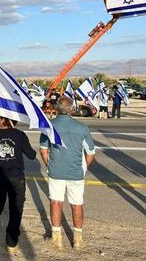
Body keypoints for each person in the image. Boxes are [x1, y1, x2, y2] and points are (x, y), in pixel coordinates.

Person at [40, 96, 95, 250]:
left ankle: (56, 239)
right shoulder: (81, 127)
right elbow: (90, 153)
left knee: (56, 202)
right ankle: (78, 240)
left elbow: (43, 150)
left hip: (56, 171)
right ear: (71, 109)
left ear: (57, 109)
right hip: (76, 172)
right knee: (76, 204)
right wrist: (84, 168)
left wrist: (49, 165)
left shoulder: (49, 126)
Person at [0, 116, 36, 254]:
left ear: (1, 119)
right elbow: (31, 155)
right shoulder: (20, 135)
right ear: (15, 120)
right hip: (16, 177)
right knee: (16, 209)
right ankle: (11, 242)